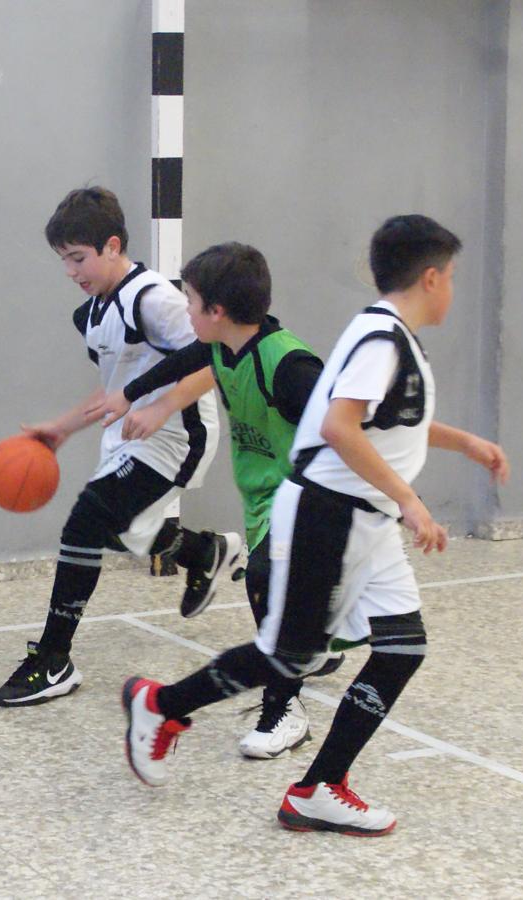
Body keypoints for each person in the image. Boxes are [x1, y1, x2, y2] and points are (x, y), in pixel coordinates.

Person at [121, 215, 511, 836]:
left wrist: (465, 443)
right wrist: (411, 500)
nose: (453, 288)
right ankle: (159, 706)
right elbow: (338, 429)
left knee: (401, 649)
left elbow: (392, 422)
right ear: (431, 277)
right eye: (453, 277)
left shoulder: (389, 336)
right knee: (290, 655)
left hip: (365, 519)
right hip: (327, 513)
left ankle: (319, 787)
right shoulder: (381, 338)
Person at [0, 187, 242, 707]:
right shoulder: (93, 313)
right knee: (123, 531)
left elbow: (215, 358)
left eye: (77, 258)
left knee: (86, 522)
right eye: (63, 261)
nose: (70, 271)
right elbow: (113, 386)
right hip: (132, 434)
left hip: (177, 435)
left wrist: (161, 408)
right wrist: (61, 429)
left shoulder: (153, 298)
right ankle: (205, 552)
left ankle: (54, 657)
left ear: (111, 245)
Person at [100, 241, 343, 758]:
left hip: (308, 496)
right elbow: (184, 361)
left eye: (189, 300)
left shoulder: (290, 368)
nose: (184, 310)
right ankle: (307, 650)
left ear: (217, 311)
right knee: (281, 601)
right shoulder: (221, 348)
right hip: (262, 495)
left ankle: (286, 709)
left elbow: (342, 434)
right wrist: (130, 393)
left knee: (265, 584)